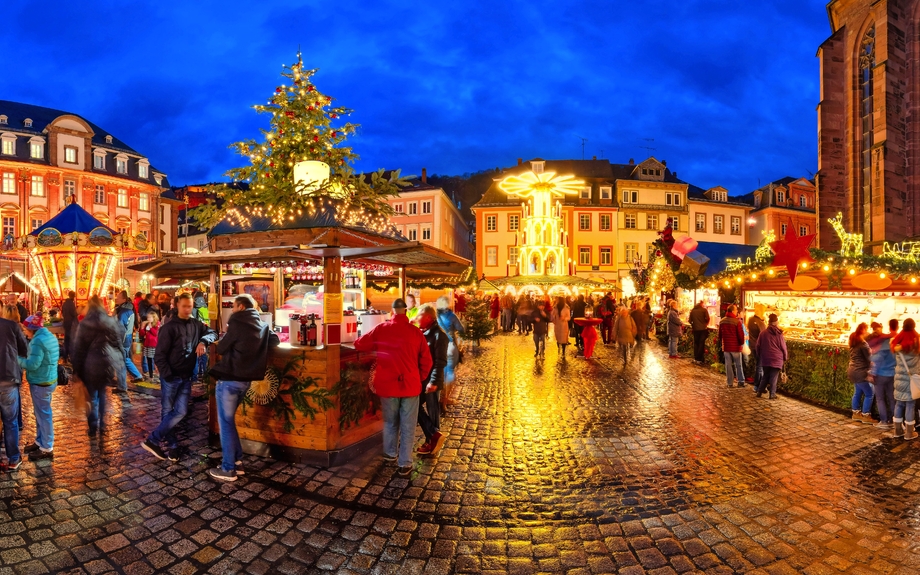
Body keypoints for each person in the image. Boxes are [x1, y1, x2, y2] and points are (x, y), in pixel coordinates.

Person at [354, 298, 432, 475]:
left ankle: (390, 453)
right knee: (408, 425)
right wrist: (418, 378)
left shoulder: (382, 329)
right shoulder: (416, 332)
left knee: (390, 422)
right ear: (405, 311)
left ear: (392, 311)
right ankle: (405, 462)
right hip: (410, 386)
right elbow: (427, 360)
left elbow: (359, 343)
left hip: (388, 386)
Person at [207, 294, 280, 481]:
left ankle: (228, 468)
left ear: (240, 307)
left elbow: (222, 348)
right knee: (229, 422)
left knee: (225, 424)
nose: (231, 310)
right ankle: (237, 462)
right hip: (246, 381)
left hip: (229, 379)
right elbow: (275, 341)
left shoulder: (237, 322)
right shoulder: (262, 325)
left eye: (233, 306)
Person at [143, 293, 217, 462]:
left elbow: (213, 332)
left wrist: (203, 341)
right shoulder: (169, 328)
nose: (187, 309)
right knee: (168, 412)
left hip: (186, 376)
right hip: (172, 376)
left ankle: (153, 440)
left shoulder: (196, 325)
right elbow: (159, 355)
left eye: (190, 306)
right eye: (184, 306)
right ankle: (173, 446)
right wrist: (167, 375)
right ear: (177, 306)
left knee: (180, 412)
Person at [71, 296, 124, 437]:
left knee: (92, 398)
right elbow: (117, 343)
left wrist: (76, 370)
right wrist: (121, 360)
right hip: (106, 363)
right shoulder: (110, 321)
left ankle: (92, 426)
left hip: (90, 365)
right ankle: (103, 425)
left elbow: (79, 349)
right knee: (102, 394)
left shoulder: (84, 324)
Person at [19, 314, 59, 460]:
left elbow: (32, 365)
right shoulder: (49, 336)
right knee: (40, 413)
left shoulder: (37, 341)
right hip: (48, 379)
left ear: (31, 328)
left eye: (25, 328)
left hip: (41, 381)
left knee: (44, 414)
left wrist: (17, 359)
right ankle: (40, 441)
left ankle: (47, 447)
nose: (24, 331)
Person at [415, 304, 447, 455]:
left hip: (432, 381)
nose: (416, 318)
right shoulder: (424, 332)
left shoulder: (439, 335)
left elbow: (440, 362)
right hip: (422, 380)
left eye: (419, 315)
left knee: (433, 413)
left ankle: (432, 443)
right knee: (415, 406)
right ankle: (434, 436)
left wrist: (433, 382)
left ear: (428, 317)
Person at [892, 319, 920, 440]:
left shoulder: (897, 342)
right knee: (910, 404)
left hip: (899, 378)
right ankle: (909, 432)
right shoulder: (916, 342)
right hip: (911, 379)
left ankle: (897, 430)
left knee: (899, 403)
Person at [436, 296, 465, 413]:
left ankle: (437, 399)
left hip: (438, 346)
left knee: (439, 374)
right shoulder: (452, 316)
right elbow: (461, 328)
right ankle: (444, 401)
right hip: (450, 345)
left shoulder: (435, 316)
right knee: (449, 373)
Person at [867, 319, 897, 430]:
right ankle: (894, 420)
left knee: (880, 398)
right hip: (892, 373)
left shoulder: (881, 345)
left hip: (880, 374)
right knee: (891, 397)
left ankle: (884, 421)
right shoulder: (892, 342)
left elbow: (877, 359)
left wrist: (872, 373)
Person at [113, 290, 143, 394]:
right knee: (125, 359)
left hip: (123, 339)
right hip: (127, 338)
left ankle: (122, 386)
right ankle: (137, 375)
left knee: (120, 362)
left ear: (124, 299)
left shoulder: (124, 311)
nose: (116, 298)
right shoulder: (127, 309)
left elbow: (121, 328)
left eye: (118, 297)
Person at [848, 323, 877, 424]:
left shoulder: (853, 341)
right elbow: (869, 358)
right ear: (864, 330)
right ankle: (866, 415)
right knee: (869, 393)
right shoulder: (863, 344)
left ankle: (855, 413)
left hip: (852, 371)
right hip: (861, 372)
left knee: (858, 392)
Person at [754, 314, 787, 399]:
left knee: (765, 375)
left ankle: (759, 392)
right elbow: (783, 347)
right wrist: (785, 357)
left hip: (765, 358)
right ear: (776, 322)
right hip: (777, 358)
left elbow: (758, 346)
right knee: (773, 376)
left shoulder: (763, 333)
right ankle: (772, 394)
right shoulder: (779, 334)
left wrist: (759, 355)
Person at [718, 304, 746, 386]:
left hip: (726, 347)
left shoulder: (722, 321)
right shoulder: (737, 322)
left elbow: (720, 335)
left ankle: (729, 382)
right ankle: (740, 381)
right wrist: (741, 344)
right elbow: (741, 335)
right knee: (738, 365)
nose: (737, 311)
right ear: (733, 311)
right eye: (736, 310)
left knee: (728, 365)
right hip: (735, 347)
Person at [747, 304, 767, 388]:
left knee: (759, 365)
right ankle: (757, 385)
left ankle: (761, 385)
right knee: (760, 366)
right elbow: (764, 335)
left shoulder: (750, 319)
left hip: (752, 344)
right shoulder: (761, 323)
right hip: (759, 346)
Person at [139, 312, 161, 381]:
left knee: (156, 360)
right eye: (147, 317)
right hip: (147, 344)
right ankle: (151, 375)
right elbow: (142, 334)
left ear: (154, 318)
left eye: (150, 317)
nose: (148, 319)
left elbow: (155, 333)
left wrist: (151, 328)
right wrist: (142, 328)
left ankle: (160, 374)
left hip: (154, 344)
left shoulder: (157, 324)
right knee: (148, 359)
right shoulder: (147, 324)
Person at [61, 290, 77, 364]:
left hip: (66, 323)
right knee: (71, 341)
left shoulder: (65, 303)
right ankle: (71, 357)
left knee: (66, 341)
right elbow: (74, 314)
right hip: (71, 325)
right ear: (73, 296)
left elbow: (62, 313)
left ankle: (65, 357)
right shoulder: (71, 304)